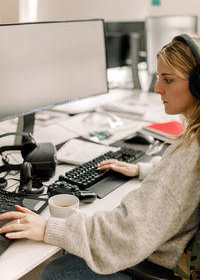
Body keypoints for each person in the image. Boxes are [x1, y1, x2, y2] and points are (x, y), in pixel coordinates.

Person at [0, 33, 200, 280]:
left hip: (158, 264)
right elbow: (182, 184)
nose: (158, 88)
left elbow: (126, 233)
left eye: (168, 80)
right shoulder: (193, 145)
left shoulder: (188, 155)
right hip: (172, 249)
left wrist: (48, 228)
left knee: (56, 272)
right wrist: (143, 170)